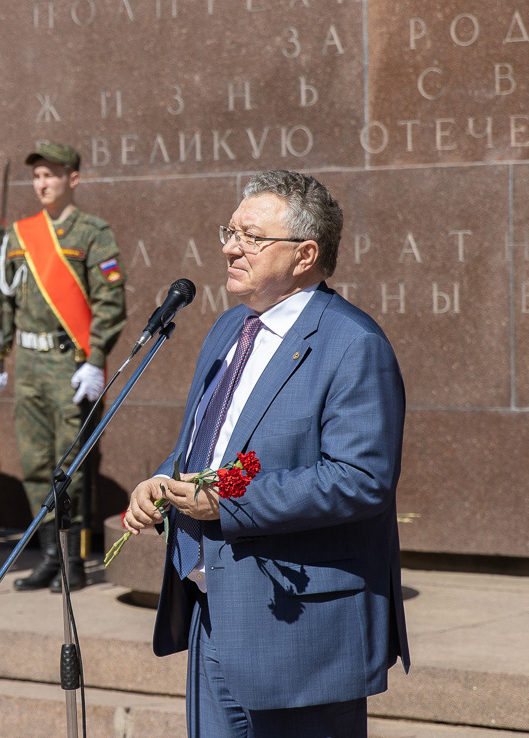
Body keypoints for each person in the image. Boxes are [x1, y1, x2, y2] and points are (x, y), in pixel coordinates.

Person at [121, 170, 410, 737]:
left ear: (304, 254)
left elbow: (360, 479)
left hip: (303, 629)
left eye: (252, 237)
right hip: (215, 612)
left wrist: (225, 504)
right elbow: (207, 441)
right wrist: (162, 481)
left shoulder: (354, 345)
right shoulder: (230, 328)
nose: (231, 247)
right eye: (230, 231)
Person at [0, 143, 126, 593]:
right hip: (28, 362)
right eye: (37, 176)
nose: (42, 183)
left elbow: (110, 303)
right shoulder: (20, 233)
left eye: (51, 174)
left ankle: (73, 560)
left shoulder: (92, 232)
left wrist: (94, 359)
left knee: (67, 465)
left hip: (69, 363)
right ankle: (49, 553)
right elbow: (4, 301)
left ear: (73, 179)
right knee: (33, 463)